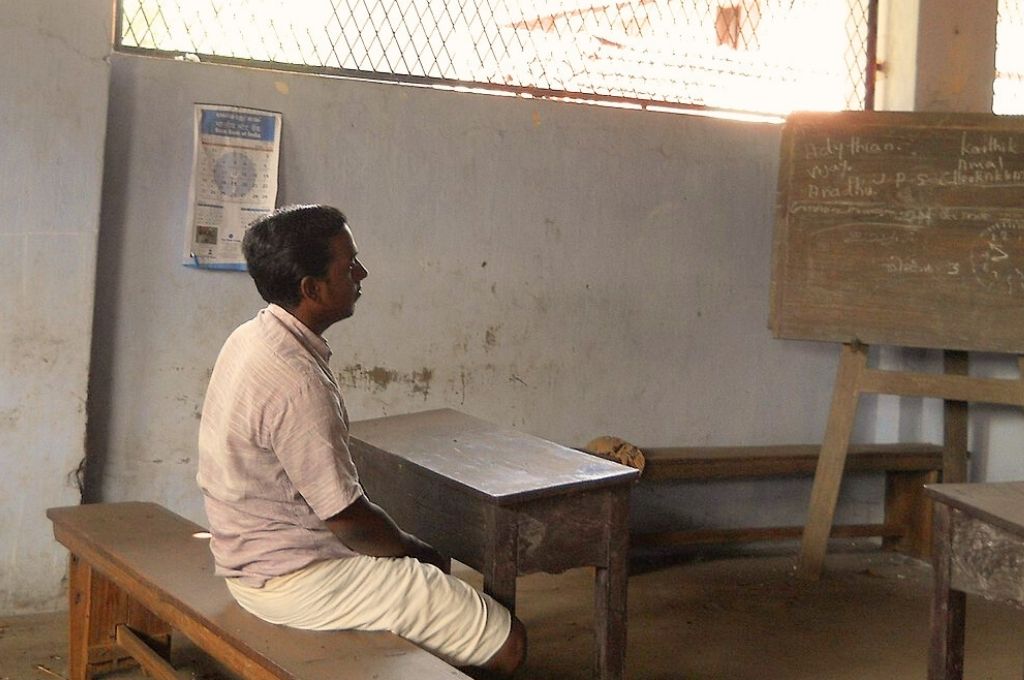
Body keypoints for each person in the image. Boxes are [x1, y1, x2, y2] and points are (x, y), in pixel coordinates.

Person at [197, 204, 526, 678]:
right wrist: (417, 552)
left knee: (427, 573)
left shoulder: (251, 337)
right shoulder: (296, 379)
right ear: (311, 288)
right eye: (348, 265)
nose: (362, 273)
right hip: (294, 579)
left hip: (246, 561)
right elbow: (349, 523)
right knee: (508, 642)